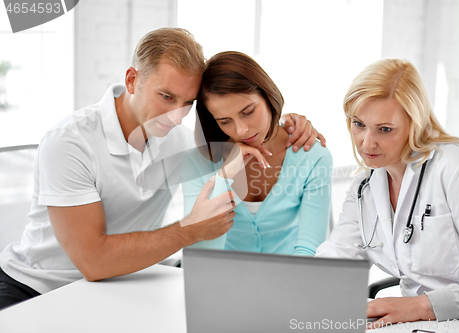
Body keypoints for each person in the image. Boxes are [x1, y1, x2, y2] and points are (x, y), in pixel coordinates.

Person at [0, 28, 324, 311]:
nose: (175, 116)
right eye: (166, 96)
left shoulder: (179, 140)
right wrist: (190, 229)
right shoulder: (70, 142)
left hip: (130, 281)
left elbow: (238, 122)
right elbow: (94, 262)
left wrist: (290, 124)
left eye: (187, 103)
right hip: (38, 287)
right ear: (132, 80)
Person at [315, 58, 459, 327]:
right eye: (358, 124)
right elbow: (338, 258)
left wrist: (421, 306)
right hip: (417, 325)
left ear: (415, 124)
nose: (366, 142)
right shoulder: (364, 187)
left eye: (385, 129)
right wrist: (302, 289)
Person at [181, 51, 333, 256]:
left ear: (268, 96)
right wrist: (225, 177)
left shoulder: (312, 157)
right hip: (222, 280)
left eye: (248, 111)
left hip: (291, 278)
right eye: (225, 121)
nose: (241, 130)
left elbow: (309, 248)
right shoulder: (196, 162)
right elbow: (201, 251)